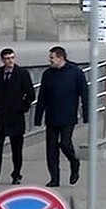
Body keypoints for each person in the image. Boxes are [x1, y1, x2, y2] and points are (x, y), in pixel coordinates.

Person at [33, 47, 89, 188]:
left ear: (60, 58)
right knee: (51, 149)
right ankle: (54, 178)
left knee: (65, 143)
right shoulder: (48, 74)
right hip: (51, 115)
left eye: (52, 58)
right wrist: (38, 117)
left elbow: (84, 94)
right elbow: (42, 97)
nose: (49, 60)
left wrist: (86, 114)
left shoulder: (75, 72)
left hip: (68, 115)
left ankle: (74, 162)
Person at [0, 48, 35, 185]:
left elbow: (30, 94)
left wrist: (22, 108)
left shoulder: (22, 73)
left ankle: (16, 174)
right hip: (1, 115)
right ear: (2, 60)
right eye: (7, 58)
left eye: (12, 58)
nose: (10, 61)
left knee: (16, 148)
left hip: (16, 116)